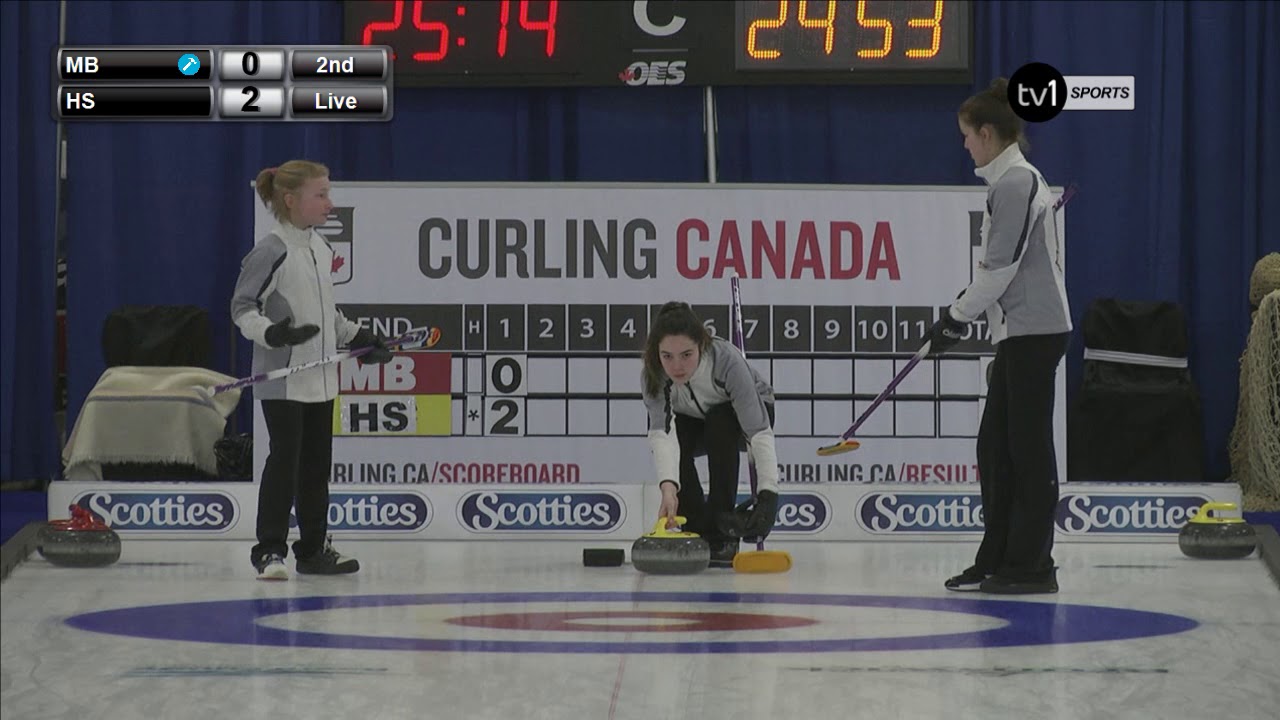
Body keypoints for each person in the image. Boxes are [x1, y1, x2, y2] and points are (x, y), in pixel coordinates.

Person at [929, 79, 1072, 594]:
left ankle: (1032, 567)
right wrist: (961, 316)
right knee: (997, 448)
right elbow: (997, 270)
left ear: (987, 134)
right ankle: (998, 558)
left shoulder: (1015, 184)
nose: (965, 145)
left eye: (967, 136)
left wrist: (954, 316)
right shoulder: (1008, 182)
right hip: (1019, 333)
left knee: (1027, 451)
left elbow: (998, 271)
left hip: (1036, 331)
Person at [231, 160, 393, 581]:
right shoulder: (270, 250)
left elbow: (328, 313)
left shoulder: (320, 248)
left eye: (328, 193)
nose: (330, 203)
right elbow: (242, 308)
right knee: (285, 461)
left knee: (316, 466)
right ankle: (269, 551)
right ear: (290, 200)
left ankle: (313, 549)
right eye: (320, 195)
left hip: (321, 379)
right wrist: (273, 333)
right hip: (283, 380)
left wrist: (358, 337)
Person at [641, 302, 781, 567]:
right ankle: (695, 527)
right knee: (678, 432)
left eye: (686, 354)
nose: (677, 366)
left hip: (746, 418)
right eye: (667, 356)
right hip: (693, 421)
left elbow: (759, 432)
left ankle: (721, 531)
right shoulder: (652, 374)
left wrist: (768, 495)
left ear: (701, 345)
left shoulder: (725, 359)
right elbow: (662, 435)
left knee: (720, 421)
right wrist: (669, 490)